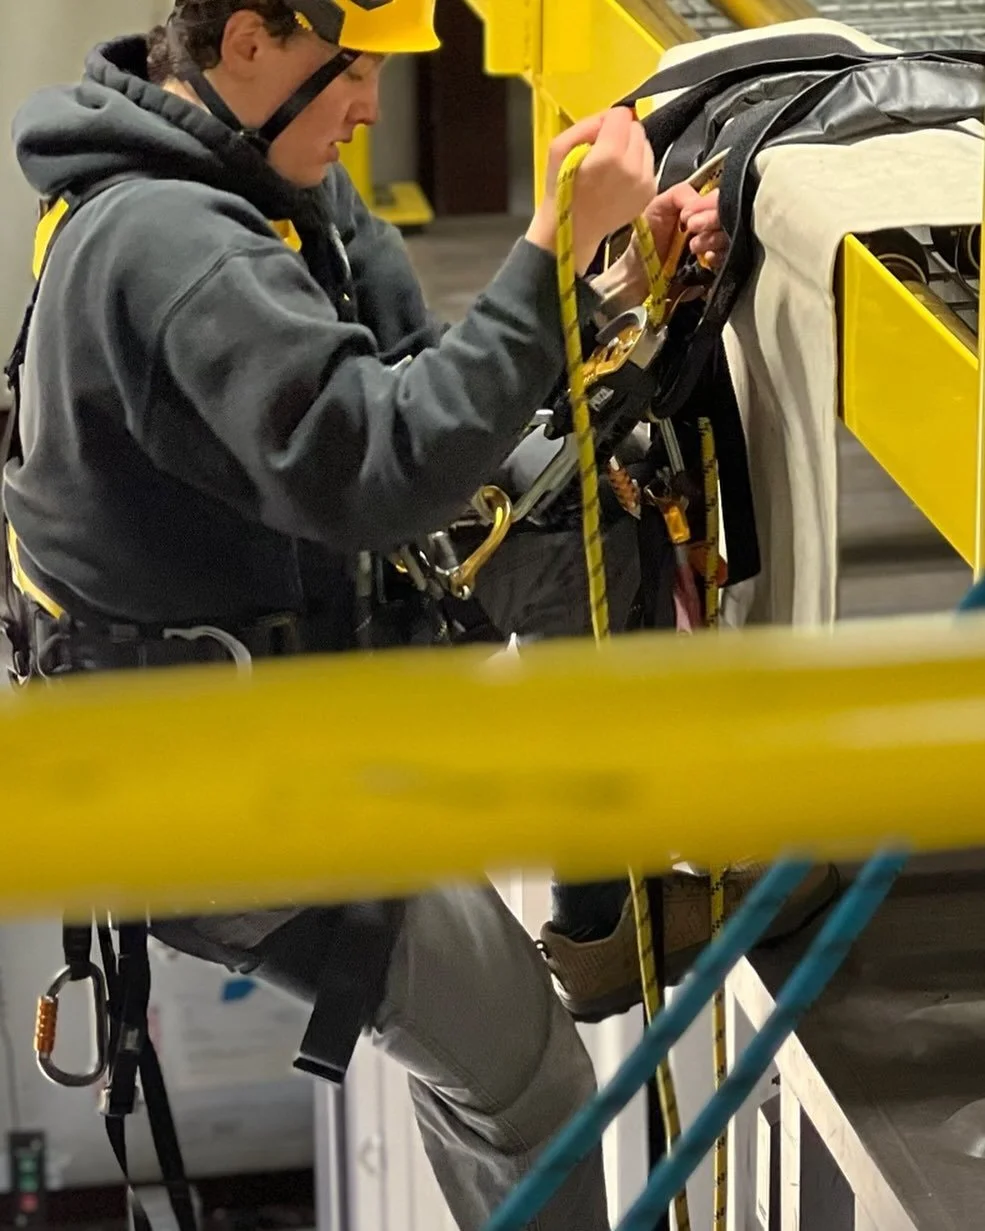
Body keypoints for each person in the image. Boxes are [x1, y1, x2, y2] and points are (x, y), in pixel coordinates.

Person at [0, 2, 801, 1226]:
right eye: (353, 70)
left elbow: (431, 392)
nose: (370, 106)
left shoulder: (271, 184)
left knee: (575, 511)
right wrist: (545, 247)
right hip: (220, 782)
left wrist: (599, 284)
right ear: (249, 42)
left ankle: (606, 914)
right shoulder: (167, 246)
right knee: (528, 1088)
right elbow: (384, 465)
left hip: (294, 676)